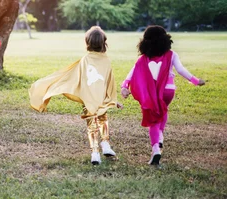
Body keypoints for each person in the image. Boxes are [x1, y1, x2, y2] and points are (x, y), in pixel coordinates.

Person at [29, 26, 121, 165]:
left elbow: (77, 78)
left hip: (88, 98)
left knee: (91, 123)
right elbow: (110, 82)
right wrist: (113, 99)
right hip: (102, 98)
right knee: (103, 118)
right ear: (103, 43)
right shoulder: (106, 60)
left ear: (88, 43)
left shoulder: (85, 60)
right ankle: (105, 143)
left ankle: (95, 153)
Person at [121, 25, 205, 165]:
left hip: (151, 92)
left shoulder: (143, 59)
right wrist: (196, 81)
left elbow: (132, 72)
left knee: (153, 118)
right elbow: (181, 70)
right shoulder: (172, 55)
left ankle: (155, 149)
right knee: (163, 109)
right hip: (168, 91)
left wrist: (124, 86)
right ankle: (160, 137)